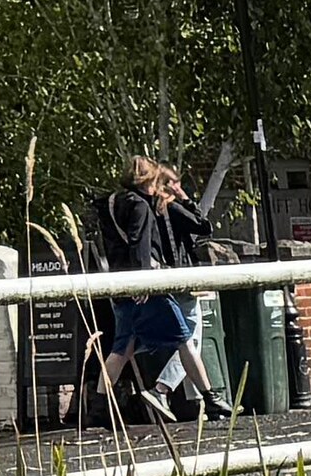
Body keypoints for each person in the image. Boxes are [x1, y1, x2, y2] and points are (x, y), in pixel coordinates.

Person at [85, 154, 220, 424]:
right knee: (185, 339)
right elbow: (140, 244)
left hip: (120, 285)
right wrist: (144, 280)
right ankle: (210, 398)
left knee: (121, 349)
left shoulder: (111, 203)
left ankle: (98, 409)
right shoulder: (141, 207)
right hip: (146, 288)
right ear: (148, 180)